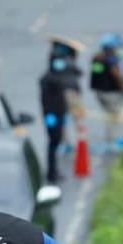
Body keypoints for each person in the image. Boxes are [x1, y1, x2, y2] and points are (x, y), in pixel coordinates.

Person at [39, 37, 86, 183]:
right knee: (53, 144)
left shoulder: (56, 76)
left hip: (58, 114)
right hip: (52, 115)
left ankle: (53, 171)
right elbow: (47, 100)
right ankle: (52, 173)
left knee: (55, 143)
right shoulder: (49, 79)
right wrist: (50, 116)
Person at [90, 33, 123, 151]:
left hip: (99, 92)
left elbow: (95, 75)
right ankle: (111, 141)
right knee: (113, 117)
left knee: (109, 115)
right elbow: (117, 76)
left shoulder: (97, 59)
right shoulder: (111, 61)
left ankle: (110, 140)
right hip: (111, 93)